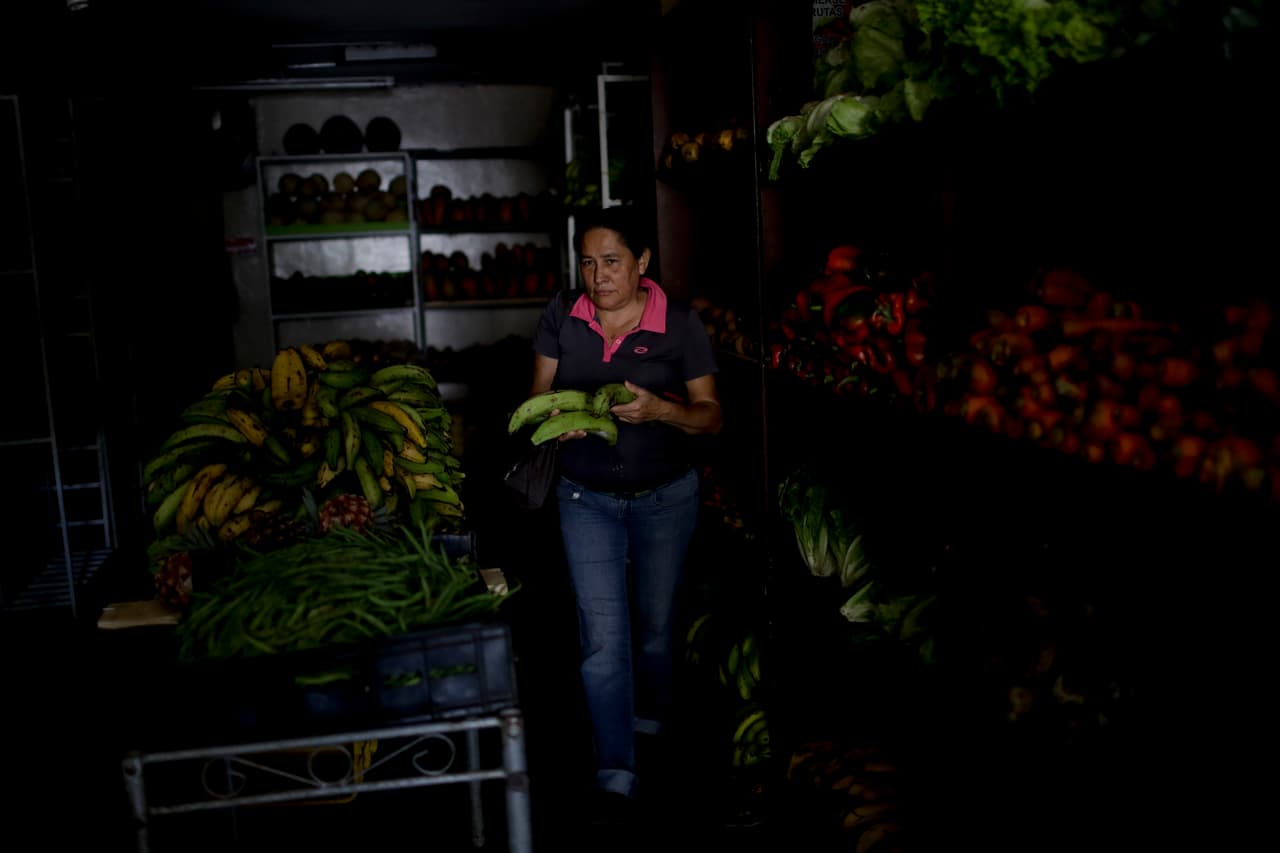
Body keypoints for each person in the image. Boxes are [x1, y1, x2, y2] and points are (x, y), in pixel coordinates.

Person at [527, 204, 723, 820]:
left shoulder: (681, 325)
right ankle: (615, 769)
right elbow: (538, 396)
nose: (597, 275)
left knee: (658, 625)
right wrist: (554, 421)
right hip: (585, 498)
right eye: (587, 261)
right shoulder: (563, 313)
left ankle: (651, 726)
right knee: (602, 636)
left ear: (641, 262)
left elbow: (710, 416)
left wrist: (662, 411)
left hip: (668, 496)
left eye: (611, 261)